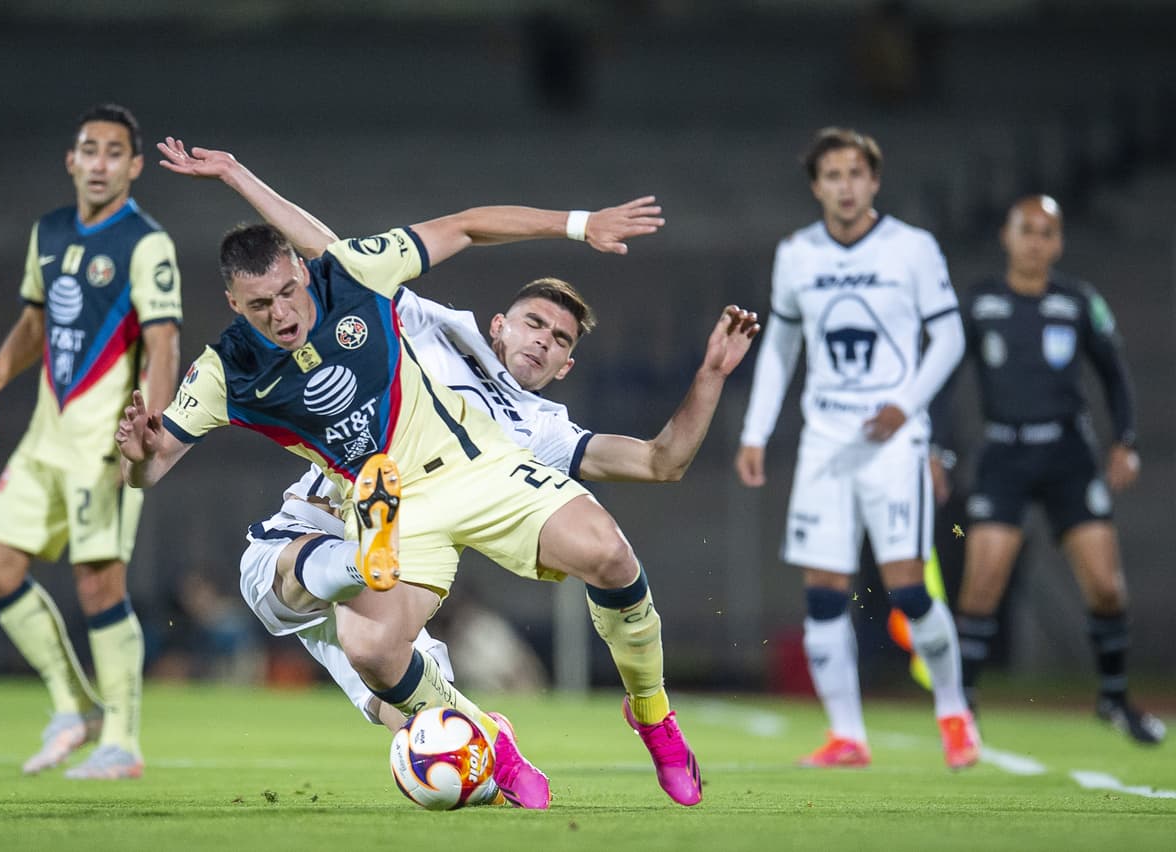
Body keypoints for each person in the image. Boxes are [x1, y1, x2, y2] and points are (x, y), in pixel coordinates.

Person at [116, 138, 705, 808]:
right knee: (368, 648)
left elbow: (463, 226)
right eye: (259, 306)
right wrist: (138, 453)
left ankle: (653, 715)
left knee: (607, 552)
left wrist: (577, 224)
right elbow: (152, 468)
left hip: (472, 465)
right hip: (389, 508)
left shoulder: (354, 274)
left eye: (286, 292)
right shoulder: (226, 371)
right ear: (232, 303)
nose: (280, 314)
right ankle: (491, 744)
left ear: (301, 272)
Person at [238, 281, 757, 737]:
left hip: (398, 568)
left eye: (560, 340)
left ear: (565, 367)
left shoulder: (543, 428)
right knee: (311, 580)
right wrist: (236, 175)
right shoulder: (436, 338)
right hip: (310, 531)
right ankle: (355, 561)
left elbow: (659, 461)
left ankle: (490, 745)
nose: (543, 341)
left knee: (435, 730)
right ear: (499, 326)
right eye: (534, 323)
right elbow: (343, 261)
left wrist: (711, 374)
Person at [735, 127, 977, 769]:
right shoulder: (798, 255)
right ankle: (848, 735)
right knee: (822, 592)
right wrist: (756, 431)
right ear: (817, 186)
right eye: (833, 175)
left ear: (874, 180)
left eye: (856, 174)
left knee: (908, 590)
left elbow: (950, 338)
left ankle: (954, 713)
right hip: (825, 442)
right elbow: (782, 348)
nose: (845, 186)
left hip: (895, 442)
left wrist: (909, 404)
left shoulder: (912, 249)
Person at [0, 104, 182, 780]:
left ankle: (122, 740)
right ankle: (75, 708)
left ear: (134, 167)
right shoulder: (50, 232)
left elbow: (165, 340)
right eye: (90, 150)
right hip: (44, 438)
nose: (99, 163)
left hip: (102, 443)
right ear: (71, 159)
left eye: (115, 153)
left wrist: (152, 432)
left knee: (98, 584)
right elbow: (34, 323)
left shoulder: (146, 244)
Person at [939, 195, 1164, 745]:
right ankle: (963, 714)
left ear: (1058, 242)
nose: (1036, 241)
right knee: (981, 587)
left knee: (1107, 589)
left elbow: (1115, 374)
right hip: (1003, 456)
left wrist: (1126, 442)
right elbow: (940, 378)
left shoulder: (1079, 301)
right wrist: (937, 447)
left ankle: (1113, 700)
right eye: (1026, 230)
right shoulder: (981, 303)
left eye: (1046, 232)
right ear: (1006, 236)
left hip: (1068, 456)